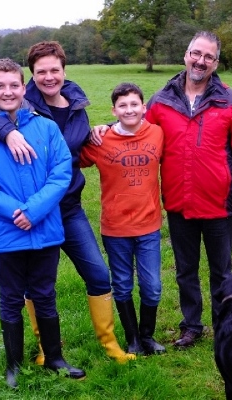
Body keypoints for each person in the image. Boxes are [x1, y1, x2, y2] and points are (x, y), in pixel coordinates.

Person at [0, 41, 134, 364]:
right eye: (41, 72)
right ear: (30, 78)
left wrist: (102, 128)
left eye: (55, 70)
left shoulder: (77, 104)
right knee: (34, 287)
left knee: (97, 274)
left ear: (64, 71)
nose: (49, 77)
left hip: (66, 209)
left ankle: (110, 345)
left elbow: (71, 156)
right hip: (26, 215)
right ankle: (46, 351)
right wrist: (6, 132)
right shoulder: (24, 102)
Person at [90, 31, 232, 349]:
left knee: (220, 273)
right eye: (196, 53)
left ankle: (223, 324)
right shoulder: (162, 99)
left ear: (215, 62)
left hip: (218, 203)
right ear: (186, 54)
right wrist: (105, 128)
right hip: (178, 203)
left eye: (208, 56)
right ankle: (192, 326)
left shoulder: (228, 99)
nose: (201, 60)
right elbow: (134, 126)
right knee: (185, 270)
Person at [0, 58, 85, 388]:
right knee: (11, 298)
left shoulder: (45, 127)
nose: (8, 91)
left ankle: (55, 358)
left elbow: (60, 173)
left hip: (44, 230)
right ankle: (14, 365)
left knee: (45, 294)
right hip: (5, 234)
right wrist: (16, 212)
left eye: (14, 85)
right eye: (0, 86)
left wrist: (34, 211)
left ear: (23, 87)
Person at [79, 82, 166, 356]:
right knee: (123, 284)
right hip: (116, 227)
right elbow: (73, 158)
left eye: (134, 104)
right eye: (122, 105)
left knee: (152, 287)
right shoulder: (101, 140)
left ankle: (148, 336)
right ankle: (133, 339)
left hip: (149, 225)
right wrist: (93, 132)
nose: (129, 109)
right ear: (114, 110)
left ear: (144, 108)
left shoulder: (158, 134)